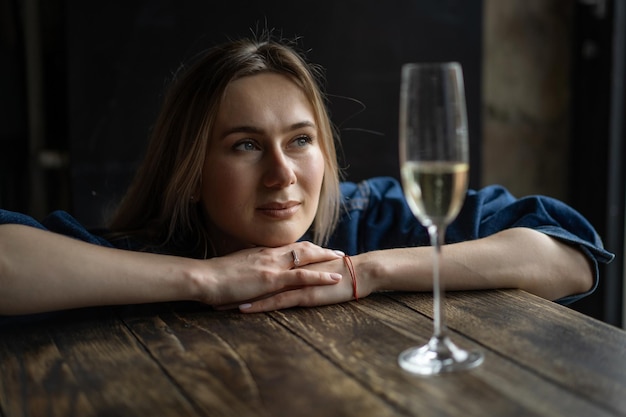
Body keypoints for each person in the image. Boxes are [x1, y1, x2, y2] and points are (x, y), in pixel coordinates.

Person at [0, 34, 614, 317]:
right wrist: (206, 280)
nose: (282, 174)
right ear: (188, 171)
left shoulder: (366, 218)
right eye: (244, 146)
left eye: (300, 140)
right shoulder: (145, 257)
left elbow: (569, 258)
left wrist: (366, 272)